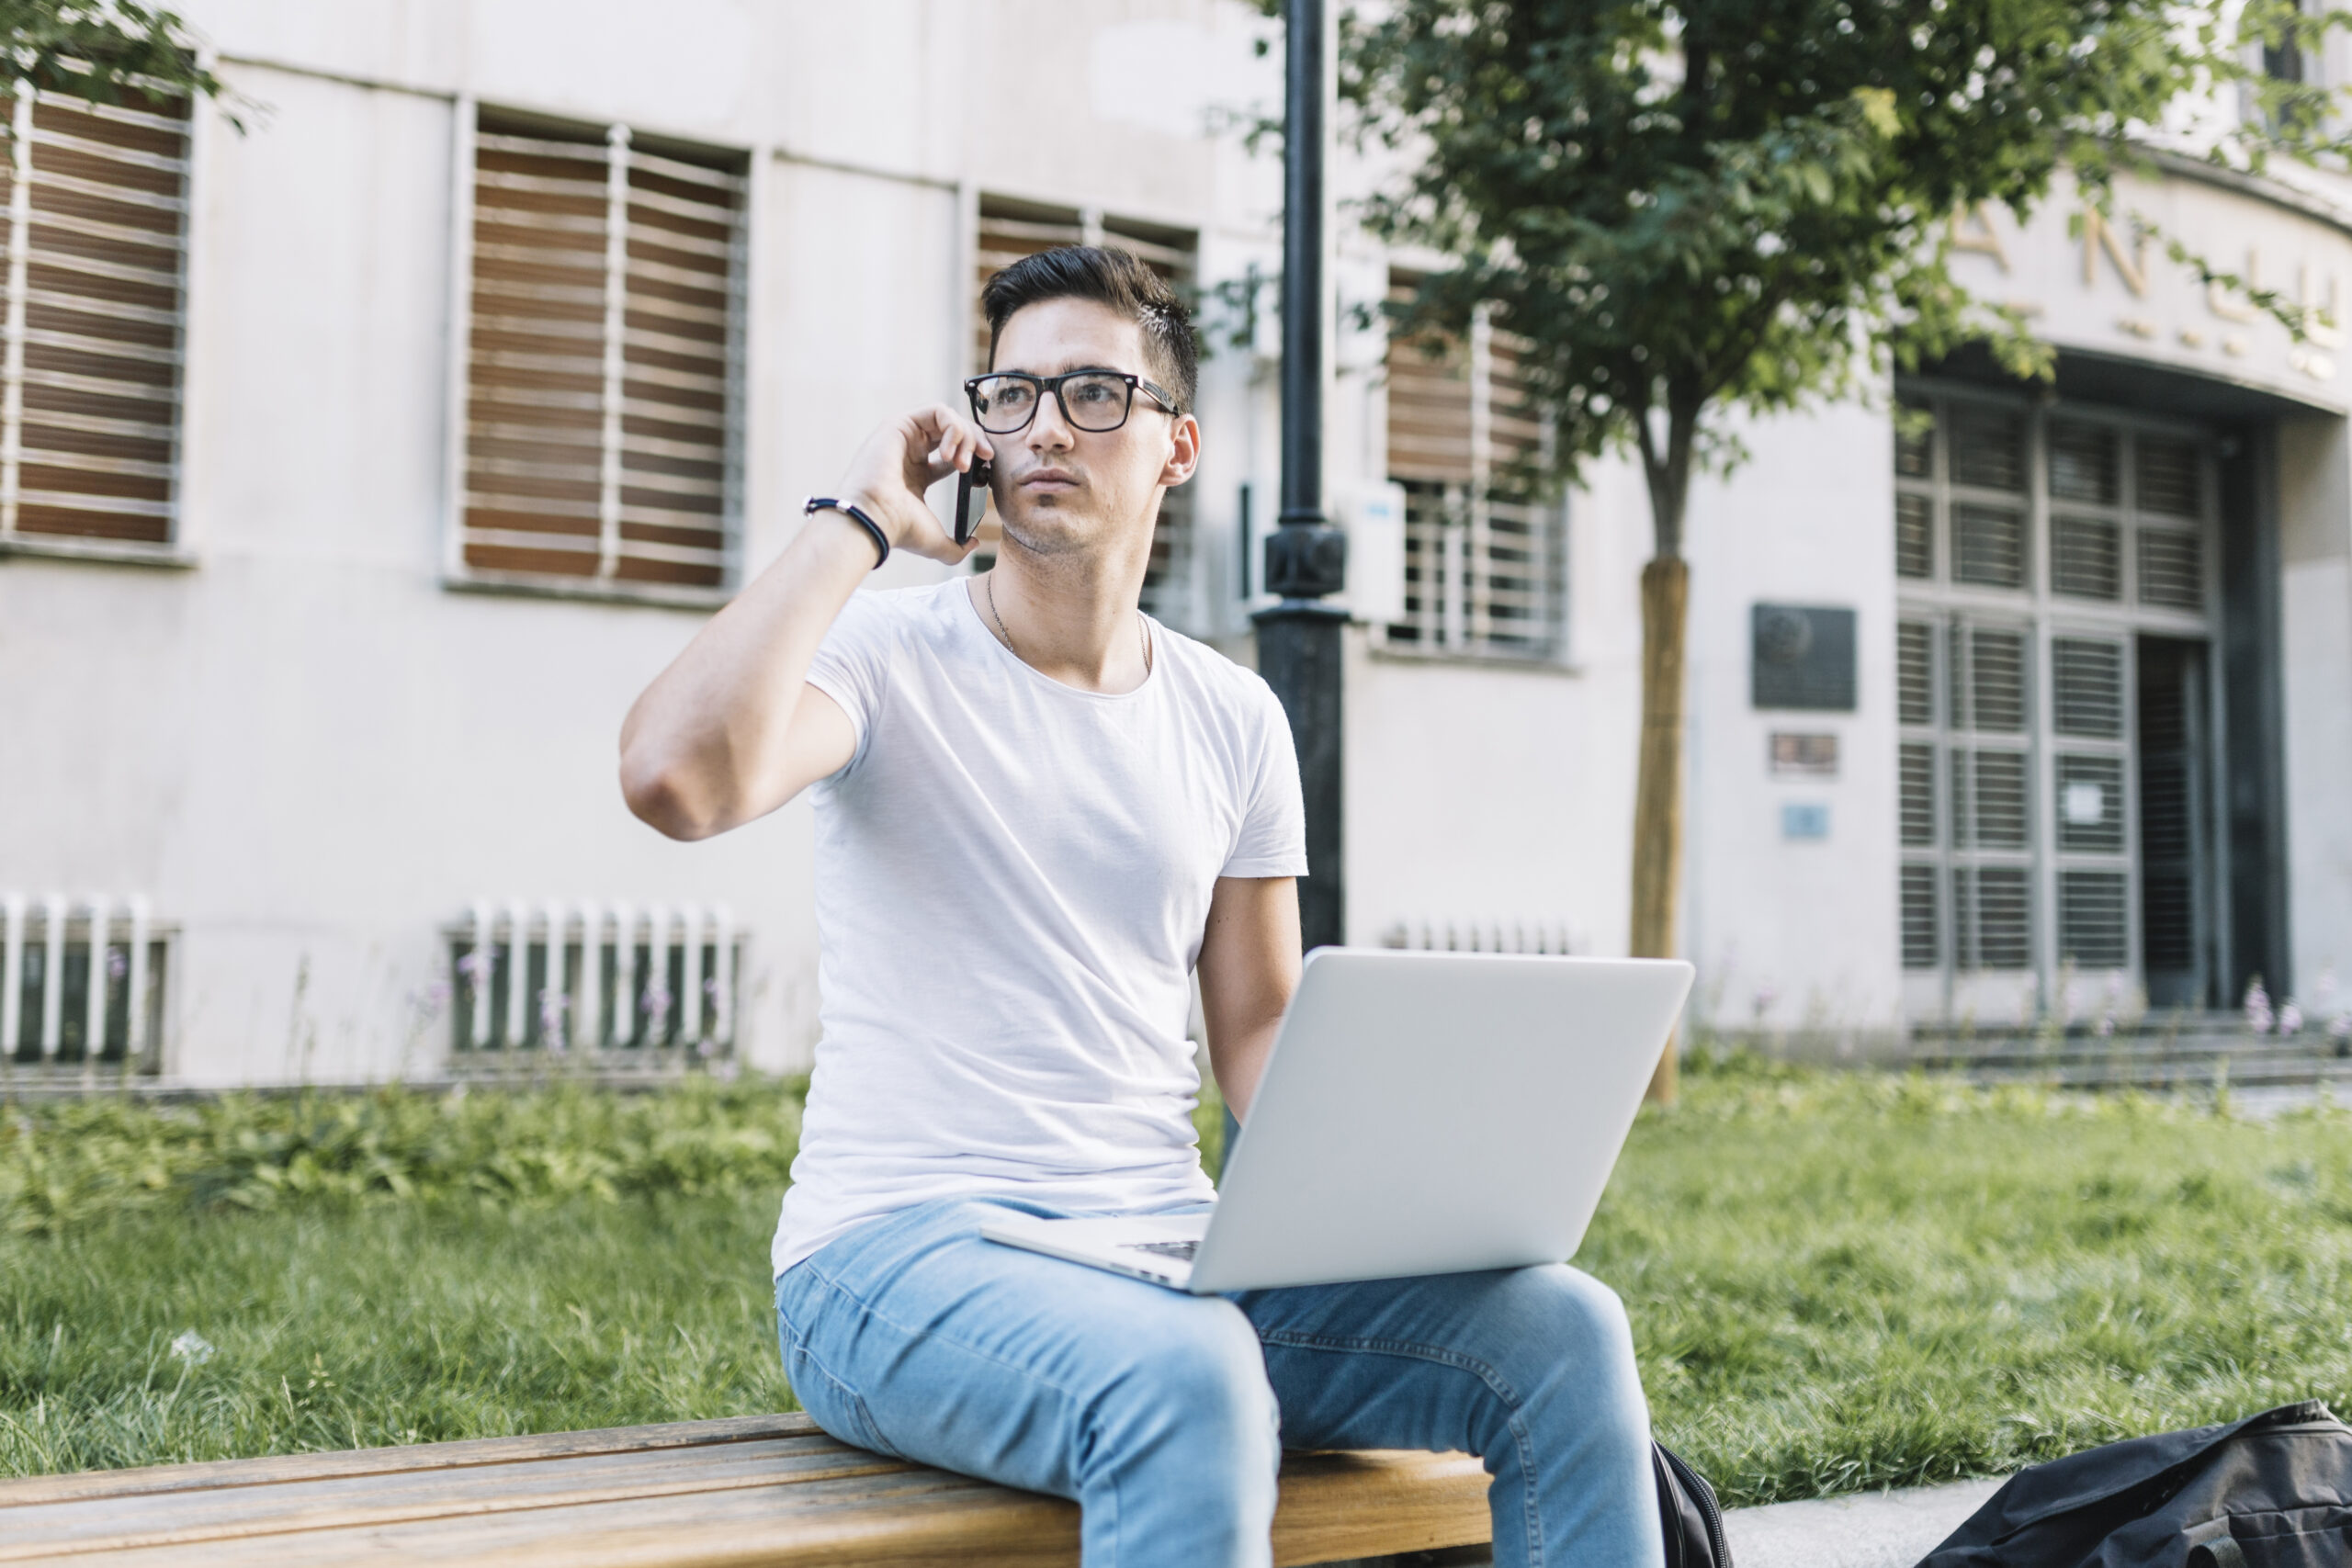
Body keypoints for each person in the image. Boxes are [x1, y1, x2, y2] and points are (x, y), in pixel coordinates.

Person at [617, 246, 1662, 1568]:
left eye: (1096, 393)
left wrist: (1438, 1150)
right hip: (895, 1263)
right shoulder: (884, 661)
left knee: (1562, 1333)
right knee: (1193, 1379)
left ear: (1176, 448)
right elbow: (675, 779)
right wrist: (854, 521)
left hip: (1174, 1262)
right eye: (1011, 395)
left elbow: (1261, 1032)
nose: (1046, 423)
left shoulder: (1232, 716)